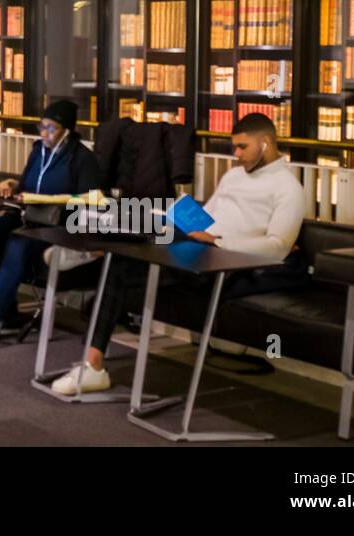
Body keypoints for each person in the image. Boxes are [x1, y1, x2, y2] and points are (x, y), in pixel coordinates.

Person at [50, 113, 307, 395]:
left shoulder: (289, 188)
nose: (236, 155)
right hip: (196, 249)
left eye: (242, 147)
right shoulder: (233, 176)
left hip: (224, 263)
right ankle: (93, 362)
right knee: (137, 239)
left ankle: (95, 251)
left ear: (266, 143)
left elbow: (279, 247)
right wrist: (184, 221)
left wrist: (220, 241)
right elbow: (207, 216)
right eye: (234, 147)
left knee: (129, 250)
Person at [0, 100, 100, 339]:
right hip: (27, 216)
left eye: (51, 128)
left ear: (67, 131)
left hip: (57, 226)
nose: (44, 133)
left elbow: (87, 203)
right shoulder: (37, 151)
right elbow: (25, 186)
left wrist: (50, 201)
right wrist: (13, 190)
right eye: (42, 126)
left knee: (16, 244)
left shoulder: (83, 159)